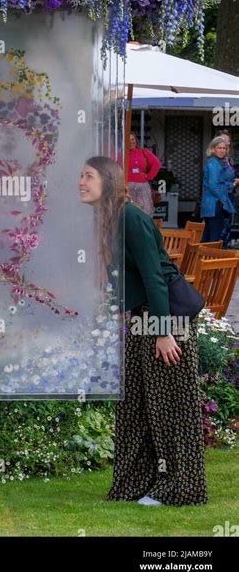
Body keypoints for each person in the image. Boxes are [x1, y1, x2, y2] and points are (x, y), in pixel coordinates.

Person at [79, 155, 207, 507]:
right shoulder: (109, 218)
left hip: (166, 319)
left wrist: (163, 332)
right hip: (142, 315)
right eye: (81, 176)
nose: (81, 182)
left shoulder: (131, 217)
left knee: (170, 408)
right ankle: (137, 482)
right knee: (136, 404)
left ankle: (181, 488)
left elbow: (154, 277)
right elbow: (126, 277)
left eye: (88, 176)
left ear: (107, 180)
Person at [200, 137, 238, 245]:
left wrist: (231, 184)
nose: (222, 150)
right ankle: (210, 261)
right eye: (219, 148)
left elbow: (219, 183)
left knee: (208, 237)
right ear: (213, 149)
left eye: (224, 148)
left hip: (212, 204)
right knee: (214, 239)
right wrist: (223, 200)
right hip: (215, 204)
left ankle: (202, 260)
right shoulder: (214, 163)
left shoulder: (218, 162)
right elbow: (213, 186)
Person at [126, 133, 162, 217]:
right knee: (129, 212)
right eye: (128, 140)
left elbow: (157, 164)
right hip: (127, 187)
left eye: (132, 139)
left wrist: (149, 176)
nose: (131, 142)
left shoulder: (144, 152)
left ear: (136, 140)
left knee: (146, 211)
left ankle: (145, 228)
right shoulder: (121, 154)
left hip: (142, 186)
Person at [213, 130, 237, 247]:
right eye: (223, 140)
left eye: (228, 141)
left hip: (229, 198)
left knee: (226, 230)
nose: (226, 143)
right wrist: (233, 184)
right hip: (219, 200)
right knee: (218, 233)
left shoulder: (229, 160)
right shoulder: (215, 161)